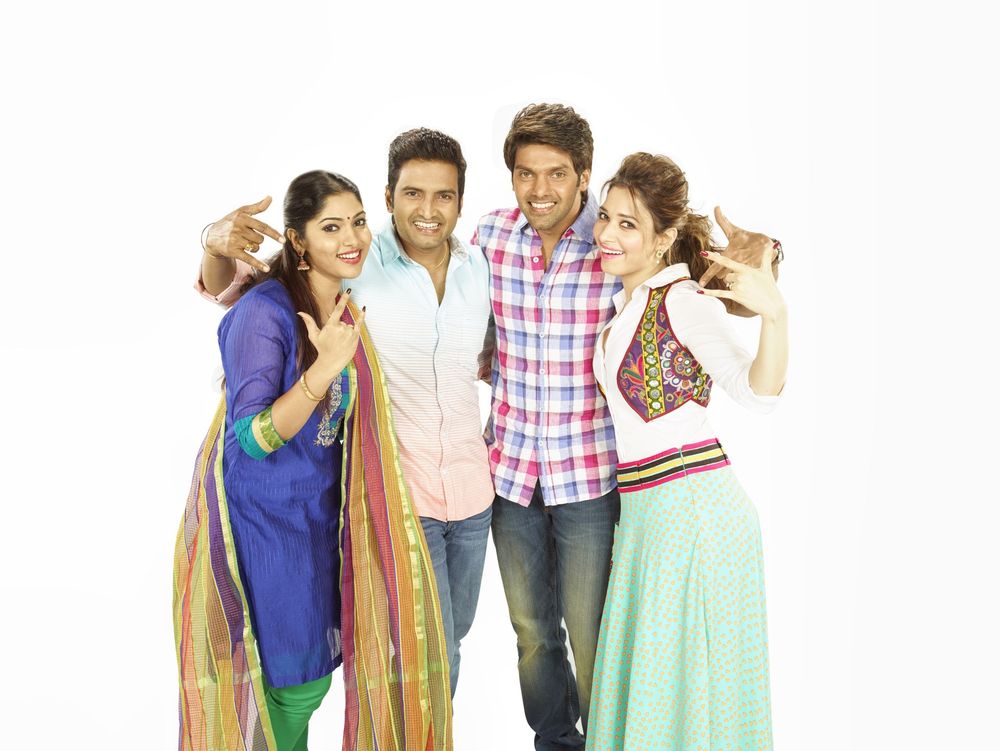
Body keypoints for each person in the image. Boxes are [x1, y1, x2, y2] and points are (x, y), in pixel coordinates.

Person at [472, 104, 780, 750]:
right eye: (525, 173)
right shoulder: (495, 239)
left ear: (583, 175)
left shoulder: (630, 260)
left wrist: (772, 269)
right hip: (522, 475)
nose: (541, 189)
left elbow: (731, 322)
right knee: (537, 637)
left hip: (612, 485)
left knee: (606, 647)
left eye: (558, 173)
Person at [194, 129, 494, 697]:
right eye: (412, 193)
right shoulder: (354, 265)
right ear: (389, 197)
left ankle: (430, 730)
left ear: (461, 201)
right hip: (395, 497)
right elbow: (240, 289)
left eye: (444, 195)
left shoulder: (478, 267)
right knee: (423, 655)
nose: (428, 210)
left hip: (471, 494)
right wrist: (213, 244)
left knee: (451, 641)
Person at [174, 170, 453, 751]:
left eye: (358, 222)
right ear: (297, 240)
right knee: (290, 686)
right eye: (331, 227)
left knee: (304, 681)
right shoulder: (265, 311)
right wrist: (322, 371)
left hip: (321, 522)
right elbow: (252, 438)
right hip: (264, 526)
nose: (351, 238)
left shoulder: (343, 307)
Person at [587, 152, 786, 750]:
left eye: (628, 224)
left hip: (695, 517)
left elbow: (757, 393)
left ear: (663, 238)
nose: (607, 233)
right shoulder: (624, 309)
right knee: (660, 692)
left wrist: (775, 313)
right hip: (647, 518)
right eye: (606, 217)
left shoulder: (681, 301)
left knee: (688, 694)